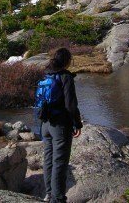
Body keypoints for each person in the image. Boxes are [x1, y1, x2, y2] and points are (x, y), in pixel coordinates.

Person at [41, 47, 82, 203]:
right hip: (60, 126)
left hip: (45, 124)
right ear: (67, 61)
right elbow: (71, 106)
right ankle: (58, 199)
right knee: (60, 162)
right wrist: (77, 124)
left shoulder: (46, 74)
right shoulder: (66, 77)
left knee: (48, 159)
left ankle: (49, 194)